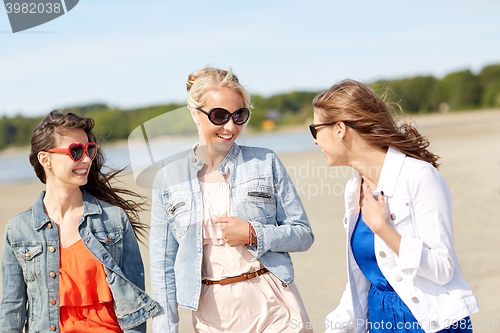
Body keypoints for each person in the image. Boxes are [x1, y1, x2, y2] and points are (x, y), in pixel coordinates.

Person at [150, 67, 315, 333]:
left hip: (274, 306)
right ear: (195, 113)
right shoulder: (168, 178)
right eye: (219, 116)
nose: (231, 126)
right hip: (212, 317)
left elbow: (303, 234)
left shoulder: (265, 161)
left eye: (239, 115)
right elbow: (161, 270)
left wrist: (253, 233)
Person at [310, 80, 479, 333]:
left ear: (339, 129)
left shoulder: (419, 176)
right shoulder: (353, 188)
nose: (314, 141)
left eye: (315, 129)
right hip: (380, 322)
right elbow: (362, 278)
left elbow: (443, 269)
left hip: (429, 323)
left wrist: (383, 229)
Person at [1, 111, 159, 332]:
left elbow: (134, 305)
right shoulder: (19, 230)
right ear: (45, 159)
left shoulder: (114, 219)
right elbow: (11, 310)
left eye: (89, 150)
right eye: (75, 151)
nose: (86, 159)